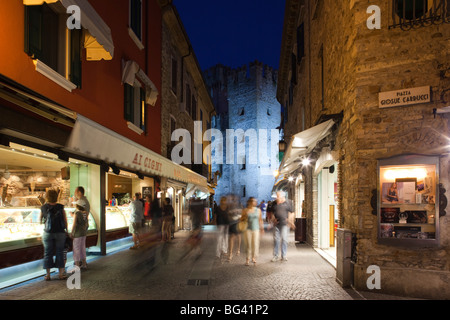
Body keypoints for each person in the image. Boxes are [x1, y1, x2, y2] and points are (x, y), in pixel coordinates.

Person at [40, 189, 68, 281]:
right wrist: (67, 230)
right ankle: (60, 274)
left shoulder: (44, 207)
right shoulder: (61, 207)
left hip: (48, 233)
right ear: (56, 197)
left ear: (47, 197)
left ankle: (48, 275)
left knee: (48, 253)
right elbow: (65, 220)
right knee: (60, 253)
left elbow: (40, 220)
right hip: (60, 233)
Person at [271, 191, 294, 262]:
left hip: (285, 224)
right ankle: (275, 256)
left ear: (282, 197)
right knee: (276, 240)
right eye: (276, 196)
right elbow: (272, 213)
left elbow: (292, 212)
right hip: (276, 224)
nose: (276, 198)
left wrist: (290, 221)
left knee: (284, 239)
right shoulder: (274, 204)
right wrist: (273, 220)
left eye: (278, 196)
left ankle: (284, 255)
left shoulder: (288, 203)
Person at [241, 197, 264, 266]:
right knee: (248, 244)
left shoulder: (258, 210)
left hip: (256, 229)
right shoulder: (245, 210)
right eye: (254, 201)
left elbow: (260, 220)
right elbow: (241, 219)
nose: (256, 202)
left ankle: (254, 257)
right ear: (250, 202)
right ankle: (247, 258)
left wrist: (262, 228)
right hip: (247, 229)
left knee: (255, 244)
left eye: (256, 201)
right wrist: (245, 217)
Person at [70, 199, 89, 269]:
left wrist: (72, 232)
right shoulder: (86, 213)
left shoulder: (77, 213)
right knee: (82, 248)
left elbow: (74, 224)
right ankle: (84, 264)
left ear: (78, 205)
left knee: (76, 249)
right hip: (83, 233)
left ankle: (77, 266)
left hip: (77, 234)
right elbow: (85, 222)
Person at [227, 195, 242, 261]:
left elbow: (243, 214)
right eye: (233, 199)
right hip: (231, 223)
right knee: (231, 238)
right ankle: (230, 253)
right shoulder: (229, 206)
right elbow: (227, 214)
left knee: (238, 236)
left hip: (238, 223)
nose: (234, 200)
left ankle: (238, 249)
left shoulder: (240, 205)